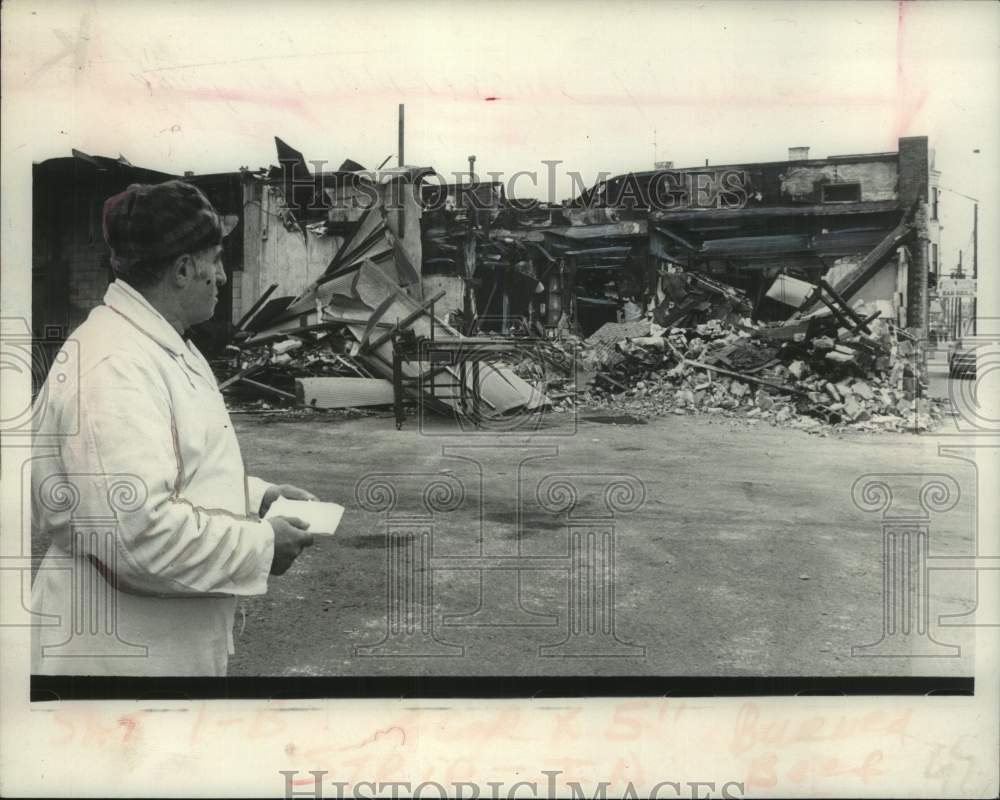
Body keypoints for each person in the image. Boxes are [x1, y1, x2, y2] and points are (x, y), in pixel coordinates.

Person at [31, 180, 316, 676]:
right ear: (184, 269)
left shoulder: (158, 342)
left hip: (152, 648)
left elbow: (175, 466)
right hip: (118, 661)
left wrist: (255, 498)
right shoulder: (113, 364)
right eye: (216, 260)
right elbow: (137, 533)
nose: (223, 277)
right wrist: (262, 545)